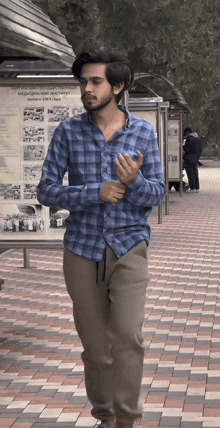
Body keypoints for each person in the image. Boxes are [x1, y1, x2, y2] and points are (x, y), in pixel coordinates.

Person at [37, 49, 167, 428]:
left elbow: (156, 194)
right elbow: (46, 191)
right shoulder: (68, 131)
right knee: (96, 350)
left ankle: (128, 421)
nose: (87, 89)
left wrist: (134, 183)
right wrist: (96, 191)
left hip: (129, 246)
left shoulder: (142, 131)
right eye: (83, 82)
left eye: (96, 82)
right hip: (82, 249)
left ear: (118, 86)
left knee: (128, 338)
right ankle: (105, 418)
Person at [183, 127, 203, 193]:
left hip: (189, 157)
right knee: (195, 173)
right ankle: (197, 187)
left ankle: (192, 188)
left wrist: (183, 146)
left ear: (187, 132)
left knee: (190, 173)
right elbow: (200, 150)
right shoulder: (198, 138)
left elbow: (186, 149)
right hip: (195, 158)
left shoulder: (189, 139)